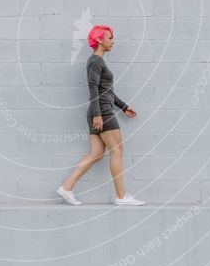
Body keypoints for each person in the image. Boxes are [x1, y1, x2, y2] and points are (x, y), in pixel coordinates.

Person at [57, 25, 145, 205]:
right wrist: (98, 114)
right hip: (102, 112)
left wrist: (123, 106)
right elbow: (94, 89)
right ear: (99, 40)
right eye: (109, 37)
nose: (113, 41)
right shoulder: (96, 61)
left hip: (100, 111)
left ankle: (66, 188)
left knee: (96, 154)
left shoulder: (98, 62)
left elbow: (106, 91)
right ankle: (121, 196)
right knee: (117, 151)